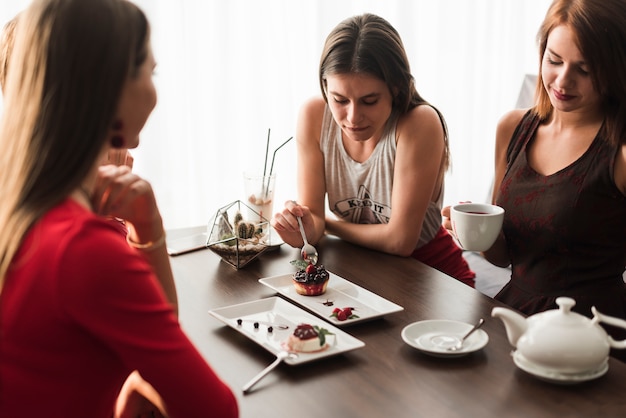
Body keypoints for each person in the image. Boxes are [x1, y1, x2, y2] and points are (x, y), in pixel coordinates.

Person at [0, 0, 238, 417]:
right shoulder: (83, 249)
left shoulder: (21, 209)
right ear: (110, 90)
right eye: (151, 71)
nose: (154, 91)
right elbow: (214, 409)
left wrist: (147, 231)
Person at [443, 0, 626, 342]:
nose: (563, 80)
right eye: (554, 60)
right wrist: (476, 233)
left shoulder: (619, 155)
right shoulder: (514, 129)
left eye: (584, 70)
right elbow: (502, 258)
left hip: (589, 334)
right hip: (515, 317)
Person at [271, 13, 475, 286]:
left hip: (432, 277)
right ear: (324, 87)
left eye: (369, 100)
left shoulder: (419, 123)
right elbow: (314, 223)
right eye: (340, 99)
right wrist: (303, 229)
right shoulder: (313, 116)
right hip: (363, 274)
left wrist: (326, 225)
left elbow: (400, 241)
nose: (353, 117)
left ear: (397, 89)